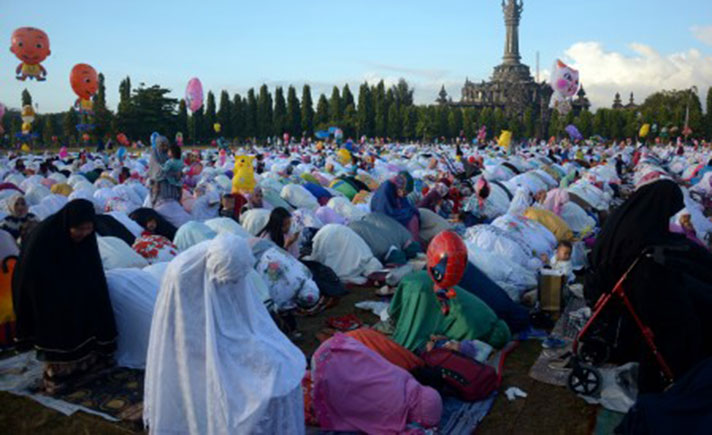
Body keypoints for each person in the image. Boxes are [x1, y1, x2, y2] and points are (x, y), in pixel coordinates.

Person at [144, 234, 306, 434]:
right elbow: (185, 322)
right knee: (234, 382)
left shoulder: (233, 259)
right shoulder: (183, 273)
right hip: (193, 332)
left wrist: (244, 337)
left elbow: (242, 307)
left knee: (279, 363)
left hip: (226, 326)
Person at [587, 180, 712, 393]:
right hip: (624, 288)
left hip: (615, 281)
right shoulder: (636, 236)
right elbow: (648, 265)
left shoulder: (631, 219)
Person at [12, 199, 117, 393]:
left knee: (90, 313)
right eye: (79, 229)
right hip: (47, 292)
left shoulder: (86, 238)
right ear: (69, 224)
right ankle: (58, 374)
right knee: (60, 328)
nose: (84, 233)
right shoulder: (45, 236)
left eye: (88, 228)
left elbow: (91, 267)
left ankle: (84, 366)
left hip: (73, 286)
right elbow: (32, 275)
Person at [309, 333, 442, 433]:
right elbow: (379, 427)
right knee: (344, 403)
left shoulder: (407, 380)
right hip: (328, 368)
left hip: (341, 345)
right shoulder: (393, 411)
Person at [371, 171, 420, 240]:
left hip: (391, 212)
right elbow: (382, 212)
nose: (404, 195)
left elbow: (405, 204)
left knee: (412, 215)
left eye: (406, 194)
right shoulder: (386, 189)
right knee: (411, 218)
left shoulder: (398, 190)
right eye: (404, 193)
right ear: (399, 187)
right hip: (381, 217)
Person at [148, 136, 181, 206]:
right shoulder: (155, 154)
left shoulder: (168, 154)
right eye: (162, 145)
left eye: (166, 145)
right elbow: (156, 169)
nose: (165, 148)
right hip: (159, 185)